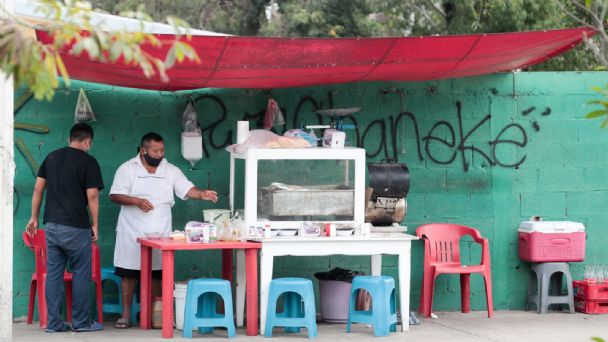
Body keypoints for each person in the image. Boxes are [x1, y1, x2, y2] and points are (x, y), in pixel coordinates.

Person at [110, 132, 218, 329]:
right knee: (128, 273)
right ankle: (125, 315)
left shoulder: (170, 170)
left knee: (158, 274)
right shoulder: (127, 169)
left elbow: (187, 190)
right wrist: (136, 201)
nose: (159, 154)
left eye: (162, 150)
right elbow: (115, 195)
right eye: (155, 150)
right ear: (143, 150)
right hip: (131, 231)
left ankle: (155, 315)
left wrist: (202, 194)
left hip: (160, 232)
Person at [26, 123, 104, 333]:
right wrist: (94, 224)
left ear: (71, 138)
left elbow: (37, 188)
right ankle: (81, 323)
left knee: (53, 273)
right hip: (76, 227)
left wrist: (34, 217)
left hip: (51, 225)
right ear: (88, 141)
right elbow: (93, 195)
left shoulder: (51, 157)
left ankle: (54, 323)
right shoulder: (89, 161)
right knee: (81, 272)